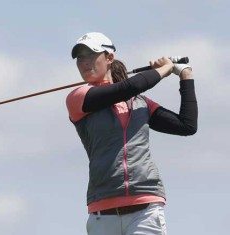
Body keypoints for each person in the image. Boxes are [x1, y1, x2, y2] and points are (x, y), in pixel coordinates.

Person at [66, 32, 198, 235]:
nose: (84, 62)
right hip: (102, 211)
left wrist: (185, 76)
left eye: (90, 55)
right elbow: (130, 86)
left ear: (109, 58)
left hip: (145, 209)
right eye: (80, 58)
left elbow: (187, 125)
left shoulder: (141, 103)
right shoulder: (79, 98)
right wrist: (164, 69)